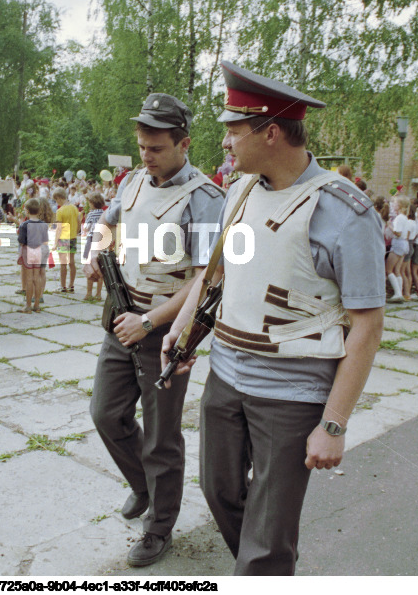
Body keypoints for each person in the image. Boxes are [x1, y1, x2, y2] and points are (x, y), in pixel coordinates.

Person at [162, 61, 384, 575]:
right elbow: (213, 275)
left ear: (272, 132)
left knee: (266, 536)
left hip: (291, 396)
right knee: (218, 491)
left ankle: (264, 568)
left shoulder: (342, 211)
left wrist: (333, 423)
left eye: (234, 131)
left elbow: (368, 326)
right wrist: (180, 331)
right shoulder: (238, 194)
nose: (225, 143)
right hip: (225, 380)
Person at [84, 93, 224, 567]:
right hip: (121, 318)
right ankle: (143, 485)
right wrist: (95, 251)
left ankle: (159, 527)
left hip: (165, 333)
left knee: (163, 436)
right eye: (142, 145)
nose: (146, 155)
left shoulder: (205, 200)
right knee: (106, 413)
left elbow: (208, 277)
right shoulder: (132, 181)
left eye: (156, 148)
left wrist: (151, 321)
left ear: (183, 144)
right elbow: (108, 222)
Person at [17, 198, 48, 313]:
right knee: (37, 277)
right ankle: (37, 305)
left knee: (29, 279)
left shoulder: (24, 225)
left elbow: (21, 240)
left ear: (27, 211)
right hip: (39, 250)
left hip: (28, 251)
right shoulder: (44, 225)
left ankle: (28, 305)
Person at [53, 187, 80, 293]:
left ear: (59, 198)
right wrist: (76, 232)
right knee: (72, 262)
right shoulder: (74, 208)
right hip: (72, 237)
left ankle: (63, 286)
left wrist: (55, 242)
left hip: (63, 238)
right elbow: (78, 222)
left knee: (63, 263)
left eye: (56, 200)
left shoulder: (60, 211)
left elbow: (59, 228)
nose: (57, 202)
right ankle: (71, 285)